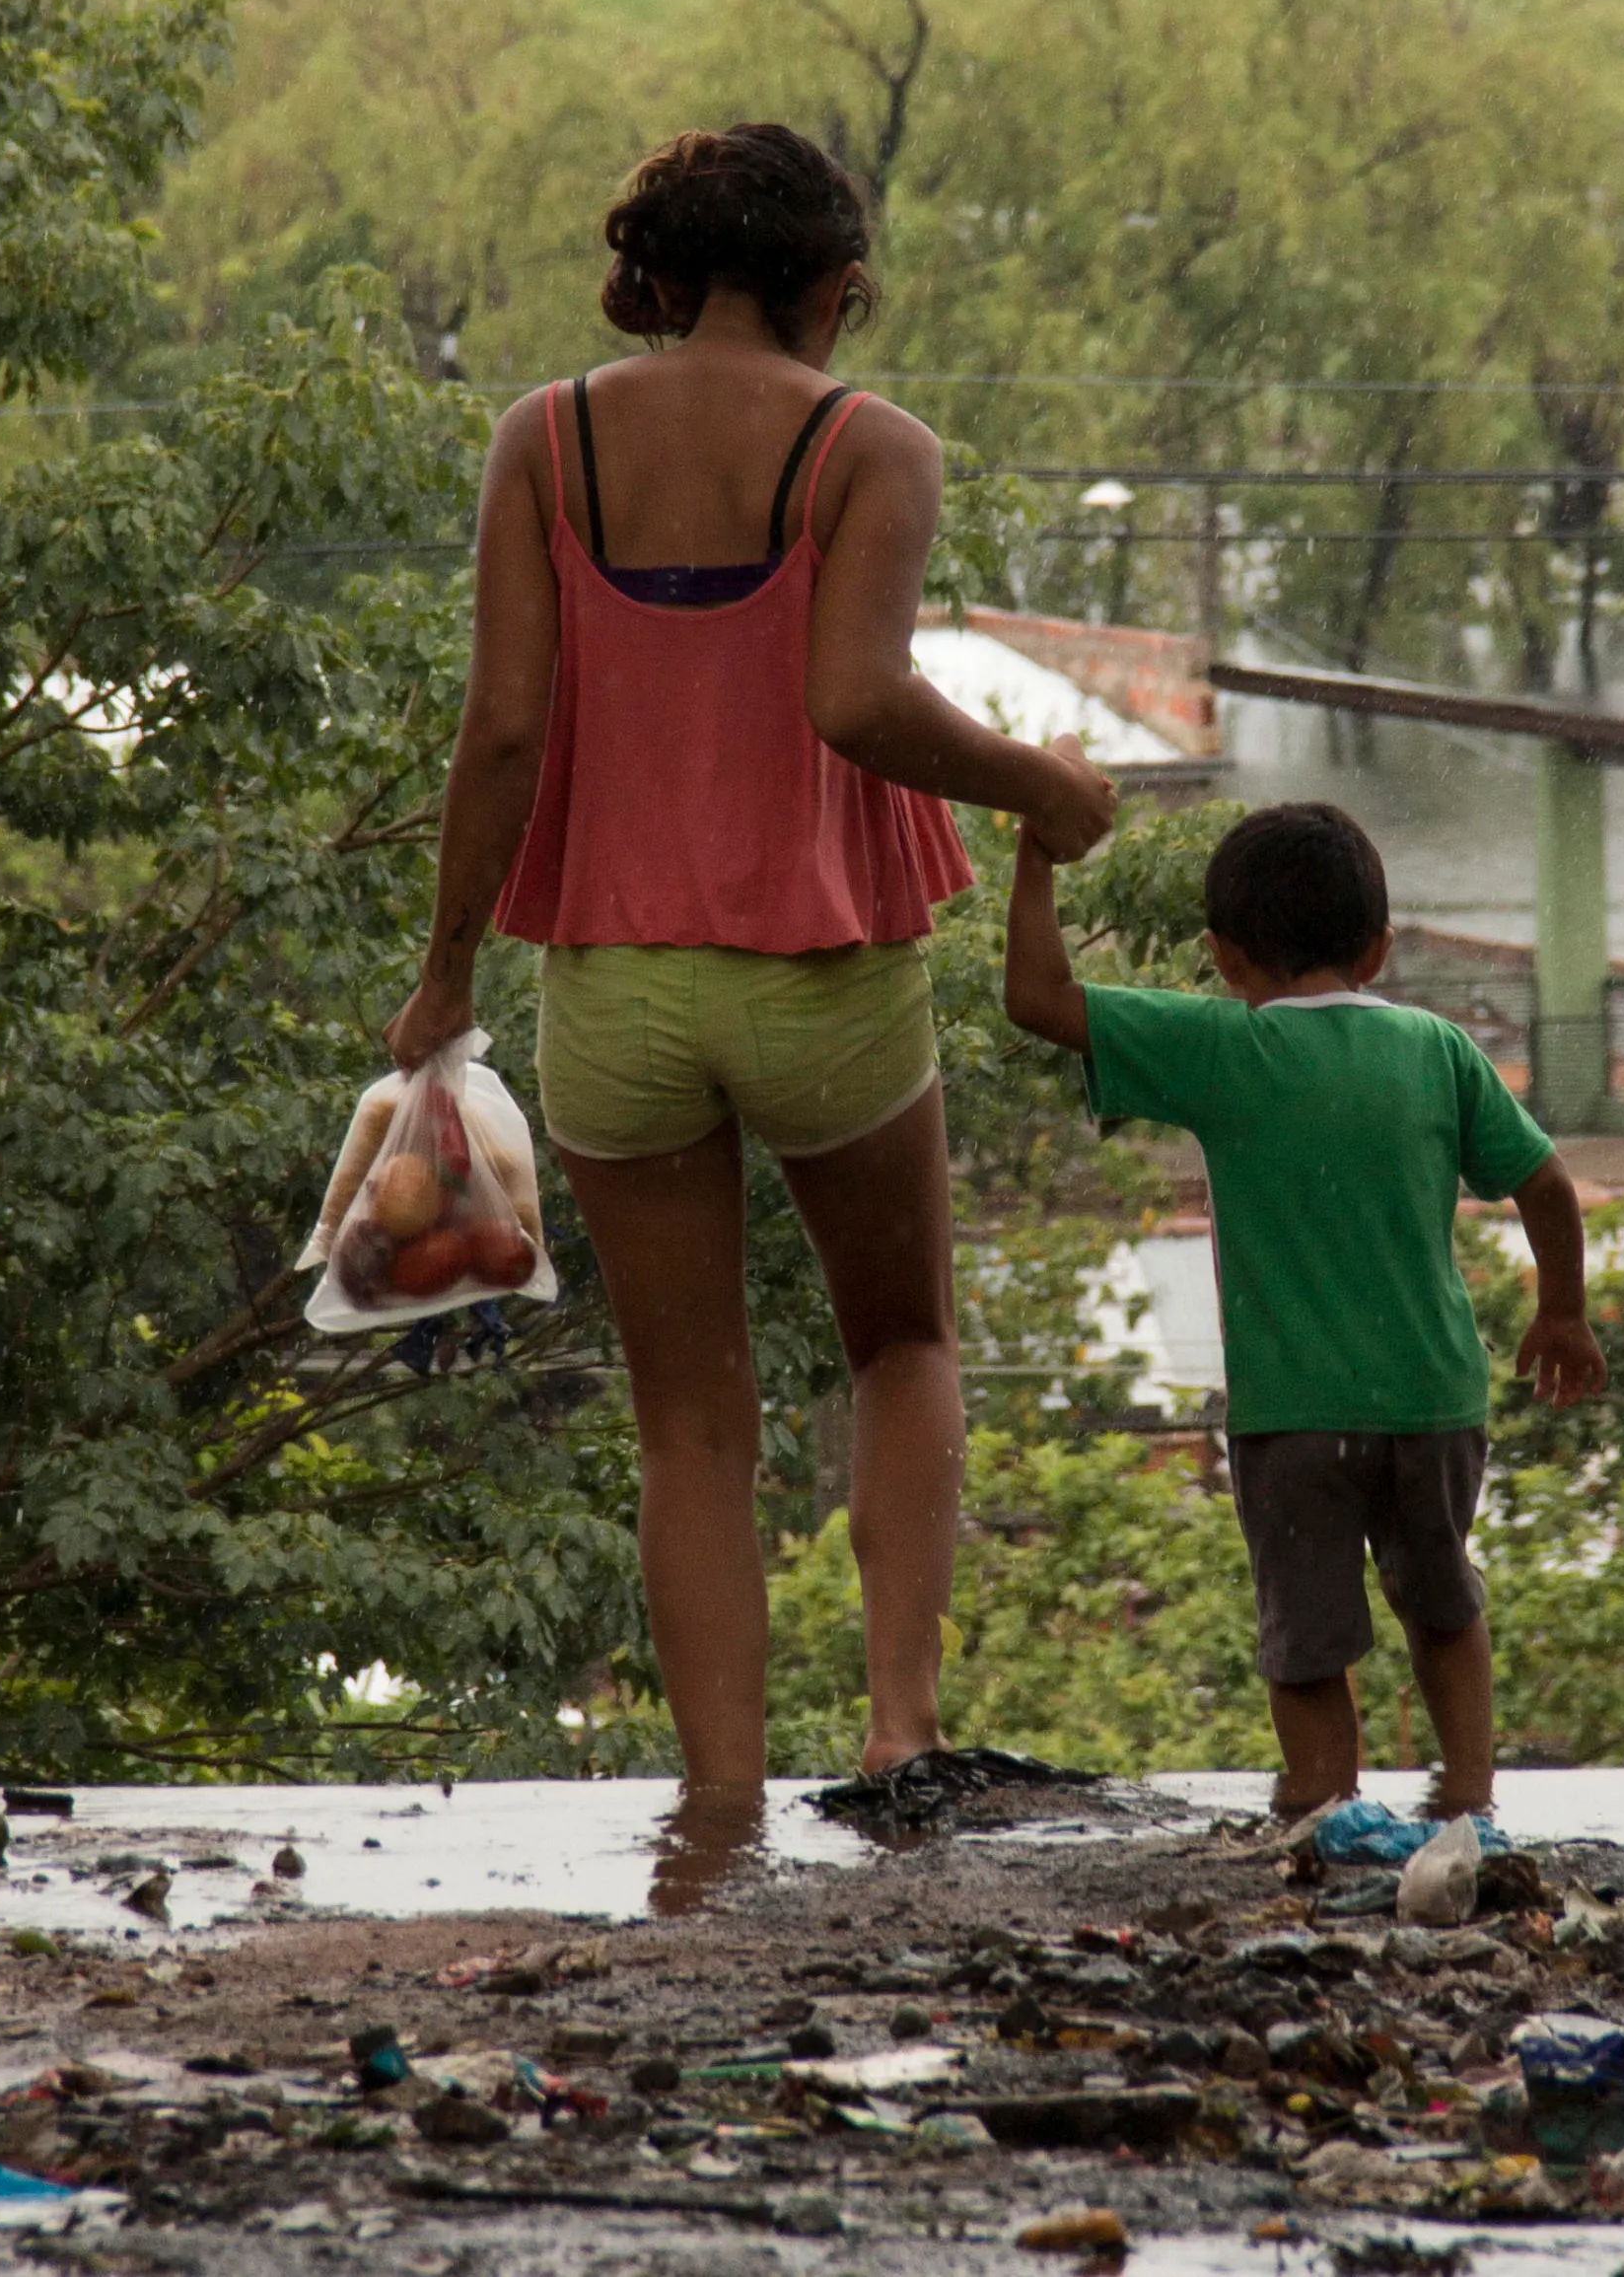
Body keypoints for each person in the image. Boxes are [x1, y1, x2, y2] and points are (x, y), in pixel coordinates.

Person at [388, 122, 1121, 1817]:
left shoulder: (543, 439)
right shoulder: (873, 448)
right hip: (825, 972)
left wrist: (444, 972)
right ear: (834, 291)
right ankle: (897, 1730)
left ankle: (720, 1804)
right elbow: (854, 701)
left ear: (662, 277)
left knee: (687, 1421)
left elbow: (500, 729)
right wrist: (1045, 782)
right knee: (902, 1339)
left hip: (616, 992)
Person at [998, 797, 1604, 1821]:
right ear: (1374, 947)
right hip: (1433, 1402)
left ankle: (1325, 1805)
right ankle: (1466, 1802)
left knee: (1308, 1639)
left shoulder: (1220, 1047)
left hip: (1292, 1419)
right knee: (1444, 1605)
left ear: (1223, 956)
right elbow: (1544, 1184)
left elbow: (1034, 994)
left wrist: (1034, 850)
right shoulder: (1436, 1048)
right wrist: (1561, 1314)